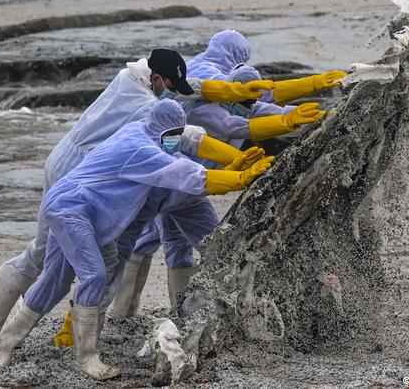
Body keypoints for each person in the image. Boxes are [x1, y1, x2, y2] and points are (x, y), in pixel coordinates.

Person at [0, 48, 275, 341]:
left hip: (64, 160)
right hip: (78, 173)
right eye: (170, 84)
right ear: (156, 78)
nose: (174, 91)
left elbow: (192, 88)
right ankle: (51, 331)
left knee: (47, 251)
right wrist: (234, 167)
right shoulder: (144, 107)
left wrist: (234, 93)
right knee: (76, 258)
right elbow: (187, 140)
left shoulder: (128, 77)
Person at [0, 100, 272, 380]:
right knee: (94, 274)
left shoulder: (142, 130)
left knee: (56, 278)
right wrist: (240, 179)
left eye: (177, 135)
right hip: (72, 208)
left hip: (70, 205)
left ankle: (1, 348)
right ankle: (86, 357)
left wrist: (232, 164)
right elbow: (182, 173)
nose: (175, 140)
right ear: (161, 130)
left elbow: (183, 150)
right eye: (172, 135)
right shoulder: (140, 149)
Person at [107, 61, 346, 318]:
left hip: (190, 193)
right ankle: (124, 314)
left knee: (178, 245)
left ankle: (175, 314)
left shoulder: (245, 105)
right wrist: (242, 173)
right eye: (242, 100)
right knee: (211, 248)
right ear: (231, 90)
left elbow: (271, 105)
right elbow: (231, 127)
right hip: (177, 185)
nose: (247, 108)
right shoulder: (202, 110)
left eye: (249, 103)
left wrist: (328, 116)